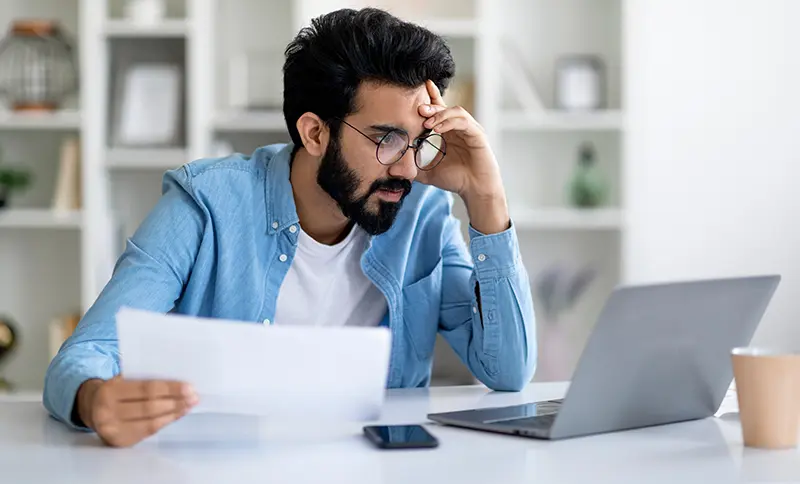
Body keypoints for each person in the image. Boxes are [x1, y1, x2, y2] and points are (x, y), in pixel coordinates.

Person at [43, 7, 537, 447]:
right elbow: (87, 353)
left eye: (417, 142)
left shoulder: (423, 213)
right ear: (315, 132)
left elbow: (509, 372)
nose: (408, 169)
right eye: (387, 140)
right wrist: (93, 401)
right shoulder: (207, 204)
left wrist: (486, 196)